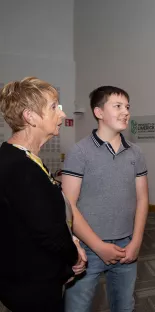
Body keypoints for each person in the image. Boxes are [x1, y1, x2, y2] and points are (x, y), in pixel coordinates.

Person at [0, 77, 86, 312]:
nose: (62, 113)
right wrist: (73, 259)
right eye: (53, 106)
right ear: (30, 116)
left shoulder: (24, 159)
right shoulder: (19, 167)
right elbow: (47, 233)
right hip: (32, 287)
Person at [62, 85, 149, 312]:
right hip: (87, 249)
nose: (125, 112)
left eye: (127, 107)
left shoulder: (136, 153)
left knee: (124, 307)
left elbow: (142, 199)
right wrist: (98, 246)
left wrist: (136, 242)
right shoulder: (79, 152)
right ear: (98, 112)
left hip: (126, 247)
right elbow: (68, 206)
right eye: (117, 106)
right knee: (76, 308)